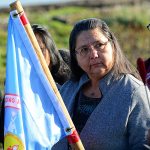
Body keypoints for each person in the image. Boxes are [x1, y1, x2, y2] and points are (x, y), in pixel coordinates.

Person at [52, 18, 150, 149]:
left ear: (113, 45)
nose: (93, 54)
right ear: (75, 56)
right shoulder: (68, 89)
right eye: (84, 49)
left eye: (99, 45)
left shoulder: (134, 92)